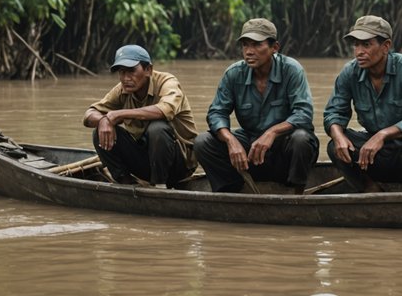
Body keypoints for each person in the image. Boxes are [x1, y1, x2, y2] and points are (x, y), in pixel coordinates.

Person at [193, 19, 319, 193]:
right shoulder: (234, 74)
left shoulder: (291, 69)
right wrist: (230, 140)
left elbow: (304, 113)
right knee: (203, 142)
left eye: (256, 45)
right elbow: (216, 113)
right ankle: (231, 192)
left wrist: (271, 132)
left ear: (274, 47)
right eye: (245, 45)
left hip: (283, 149)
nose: (249, 52)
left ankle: (295, 193)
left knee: (302, 139)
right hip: (250, 147)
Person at [323, 15, 402, 192]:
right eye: (356, 45)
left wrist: (382, 135)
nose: (359, 51)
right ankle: (369, 188)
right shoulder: (350, 72)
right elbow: (334, 113)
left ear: (386, 46)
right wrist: (338, 137)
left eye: (366, 45)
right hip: (373, 152)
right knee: (333, 145)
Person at [84, 45, 198, 188]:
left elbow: (165, 109)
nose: (126, 78)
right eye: (122, 72)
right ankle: (126, 183)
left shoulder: (167, 82)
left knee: (157, 128)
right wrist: (103, 120)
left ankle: (160, 186)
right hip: (148, 161)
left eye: (131, 71)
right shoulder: (122, 90)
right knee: (99, 132)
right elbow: (89, 114)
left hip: (180, 164)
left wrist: (118, 114)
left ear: (148, 70)